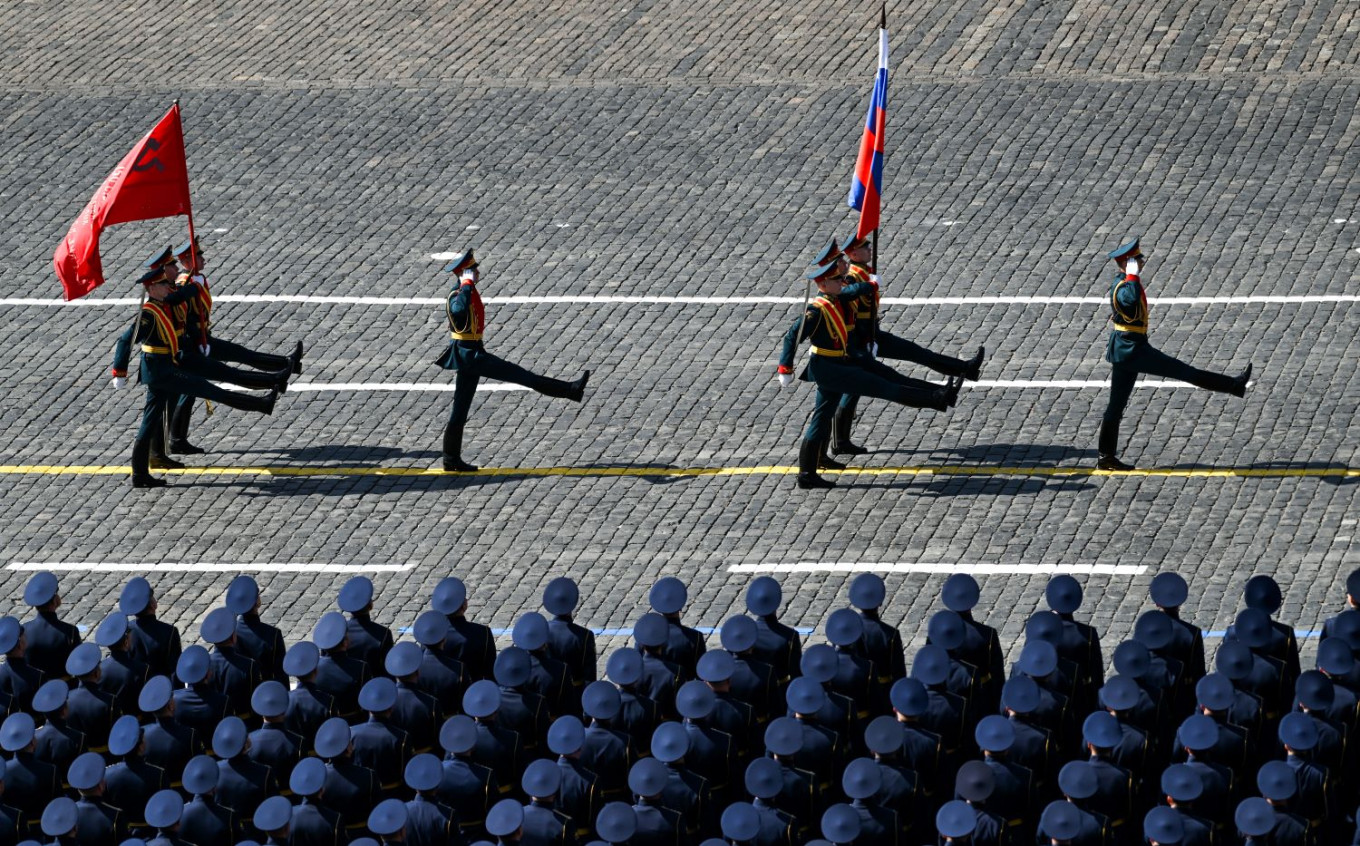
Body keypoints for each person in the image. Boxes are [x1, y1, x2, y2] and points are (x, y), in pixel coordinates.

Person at [775, 258, 959, 489]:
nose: (842, 281)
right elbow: (792, 336)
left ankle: (809, 471)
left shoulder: (835, 298)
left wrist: (870, 285)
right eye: (836, 279)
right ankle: (937, 399)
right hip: (829, 368)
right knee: (882, 386)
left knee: (822, 417)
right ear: (823, 284)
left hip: (837, 364)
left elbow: (854, 290)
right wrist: (785, 368)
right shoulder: (816, 311)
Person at [118, 263, 282, 487]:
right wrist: (119, 371)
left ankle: (139, 474)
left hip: (165, 367)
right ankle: (262, 404)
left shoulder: (162, 305)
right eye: (163, 284)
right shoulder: (148, 314)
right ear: (152, 288)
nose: (167, 286)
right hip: (161, 372)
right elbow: (125, 339)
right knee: (208, 389)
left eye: (166, 282)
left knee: (150, 420)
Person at [1097, 237, 1252, 470]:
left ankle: (1105, 457)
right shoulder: (1124, 285)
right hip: (1132, 350)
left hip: (1128, 348)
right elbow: (1128, 300)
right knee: (1185, 372)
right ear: (1128, 263)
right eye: (1137, 259)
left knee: (1116, 406)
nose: (1141, 261)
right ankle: (1233, 385)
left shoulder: (1122, 282)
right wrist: (1132, 275)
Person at [433, 249, 590, 472]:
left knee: (460, 408)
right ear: (465, 273)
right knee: (524, 377)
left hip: (472, 352)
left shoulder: (466, 291)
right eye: (473, 269)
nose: (477, 272)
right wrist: (466, 284)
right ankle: (571, 389)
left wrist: (468, 285)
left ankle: (450, 459)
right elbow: (459, 312)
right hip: (470, 355)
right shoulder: (458, 293)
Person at [832, 230, 985, 455]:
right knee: (856, 388)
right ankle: (841, 441)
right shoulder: (855, 276)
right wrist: (868, 289)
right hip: (864, 338)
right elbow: (846, 301)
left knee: (916, 353)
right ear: (854, 253)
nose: (870, 250)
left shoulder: (864, 271)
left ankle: (965, 369)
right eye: (865, 247)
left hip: (874, 333)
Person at [165, 237, 304, 455]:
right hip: (197, 343)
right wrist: (197, 340)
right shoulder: (185, 284)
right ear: (188, 261)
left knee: (203, 382)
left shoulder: (197, 279)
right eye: (198, 256)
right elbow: (181, 316)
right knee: (211, 377)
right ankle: (176, 439)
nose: (203, 259)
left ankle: (285, 367)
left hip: (203, 338)